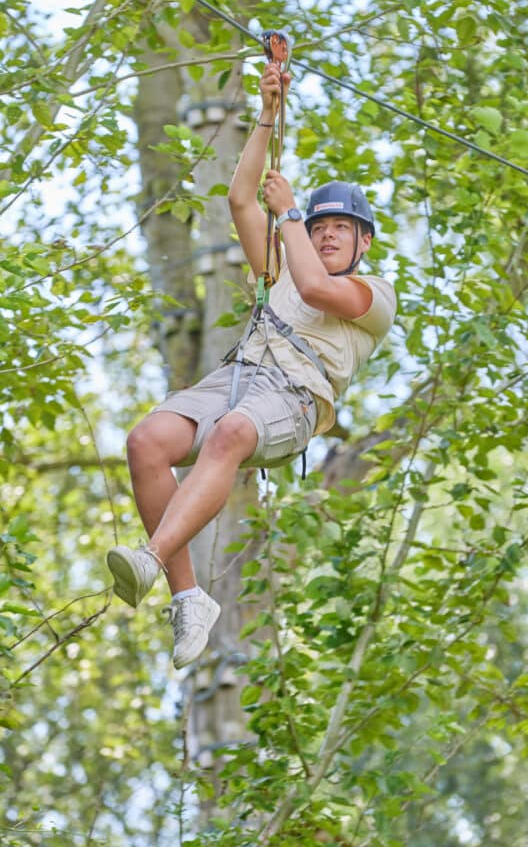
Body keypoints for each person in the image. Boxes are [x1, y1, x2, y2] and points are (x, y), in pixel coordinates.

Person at [106, 62, 396, 669]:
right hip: (241, 378)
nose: (326, 236)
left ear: (364, 241)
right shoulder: (283, 268)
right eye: (320, 227)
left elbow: (318, 292)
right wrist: (268, 113)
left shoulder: (374, 295)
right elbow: (241, 197)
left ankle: (151, 557)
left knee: (235, 433)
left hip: (295, 400)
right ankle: (188, 598)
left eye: (342, 228)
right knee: (146, 442)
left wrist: (291, 214)